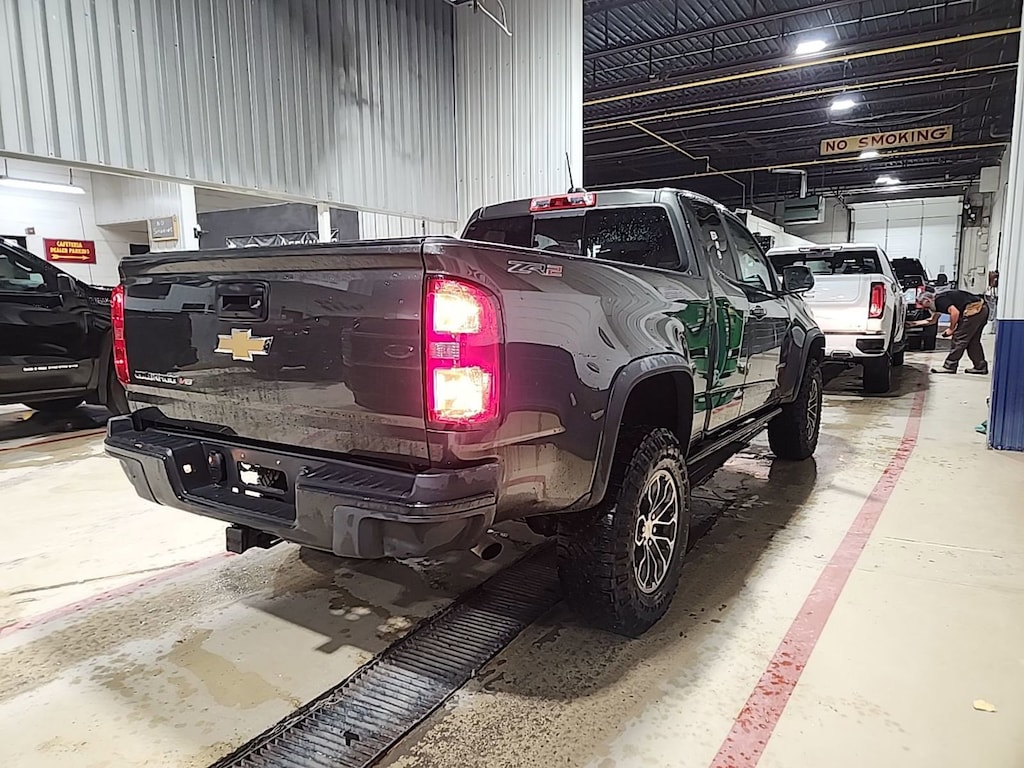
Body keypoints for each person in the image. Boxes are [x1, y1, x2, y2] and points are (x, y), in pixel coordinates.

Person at [913, 289, 990, 374]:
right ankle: (980, 367)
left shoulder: (940, 300)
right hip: (982, 309)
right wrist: (913, 324)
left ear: (927, 300)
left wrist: (951, 329)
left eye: (921, 304)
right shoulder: (938, 302)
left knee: (959, 338)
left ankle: (950, 366)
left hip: (974, 309)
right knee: (973, 341)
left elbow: (955, 313)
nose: (923, 308)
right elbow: (932, 320)